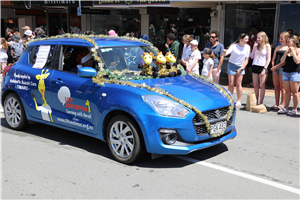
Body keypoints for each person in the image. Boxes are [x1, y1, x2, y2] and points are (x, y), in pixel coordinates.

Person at [275, 35, 300, 115]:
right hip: (286, 72)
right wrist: (286, 52)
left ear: (294, 43)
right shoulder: (286, 50)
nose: (287, 43)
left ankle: (294, 109)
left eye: (289, 41)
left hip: (295, 73)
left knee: (295, 92)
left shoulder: (298, 50)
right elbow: (282, 61)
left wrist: (293, 51)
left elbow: (297, 61)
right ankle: (286, 108)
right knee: (287, 91)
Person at [223, 33, 251, 107]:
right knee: (231, 84)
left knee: (238, 84)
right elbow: (227, 53)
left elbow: (246, 60)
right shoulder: (233, 46)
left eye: (248, 39)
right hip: (231, 65)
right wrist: (224, 52)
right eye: (246, 39)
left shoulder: (247, 47)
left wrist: (241, 69)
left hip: (241, 66)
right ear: (241, 40)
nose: (247, 40)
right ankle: (230, 99)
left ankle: (239, 100)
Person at [250, 31, 271, 105]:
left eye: (259, 37)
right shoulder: (256, 46)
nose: (257, 39)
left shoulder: (267, 46)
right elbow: (252, 57)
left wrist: (264, 69)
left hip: (262, 66)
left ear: (263, 38)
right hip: (255, 65)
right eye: (257, 37)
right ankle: (256, 101)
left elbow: (268, 59)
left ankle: (261, 102)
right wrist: (254, 47)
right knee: (255, 85)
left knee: (262, 85)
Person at [270, 31, 290, 110]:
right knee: (276, 87)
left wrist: (275, 67)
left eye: (282, 38)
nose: (280, 40)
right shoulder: (277, 48)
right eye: (280, 38)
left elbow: (284, 61)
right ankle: (277, 103)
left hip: (283, 68)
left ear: (286, 39)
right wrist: (273, 68)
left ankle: (282, 104)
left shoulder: (287, 48)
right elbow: (273, 59)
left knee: (282, 87)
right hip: (275, 68)